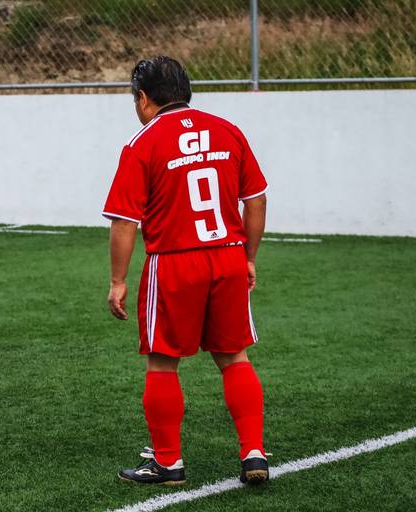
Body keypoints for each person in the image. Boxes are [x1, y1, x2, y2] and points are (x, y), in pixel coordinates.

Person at [103, 56, 268, 486]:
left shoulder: (143, 143)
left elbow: (124, 221)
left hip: (175, 262)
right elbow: (256, 200)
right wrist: (248, 256)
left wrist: (118, 281)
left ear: (143, 98)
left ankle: (168, 463)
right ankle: (253, 453)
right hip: (228, 255)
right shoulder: (228, 131)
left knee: (162, 363)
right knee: (234, 357)